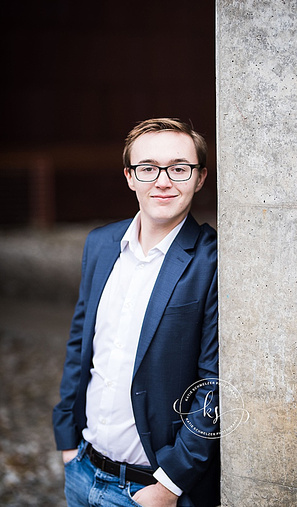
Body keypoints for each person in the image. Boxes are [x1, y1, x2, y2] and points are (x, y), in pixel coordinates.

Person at [53, 118, 219, 507]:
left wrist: (170, 485)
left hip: (149, 491)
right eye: (147, 168)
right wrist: (66, 439)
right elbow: (80, 344)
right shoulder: (100, 243)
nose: (163, 181)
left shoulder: (214, 261)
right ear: (130, 177)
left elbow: (217, 385)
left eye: (179, 168)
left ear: (200, 177)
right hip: (81, 470)